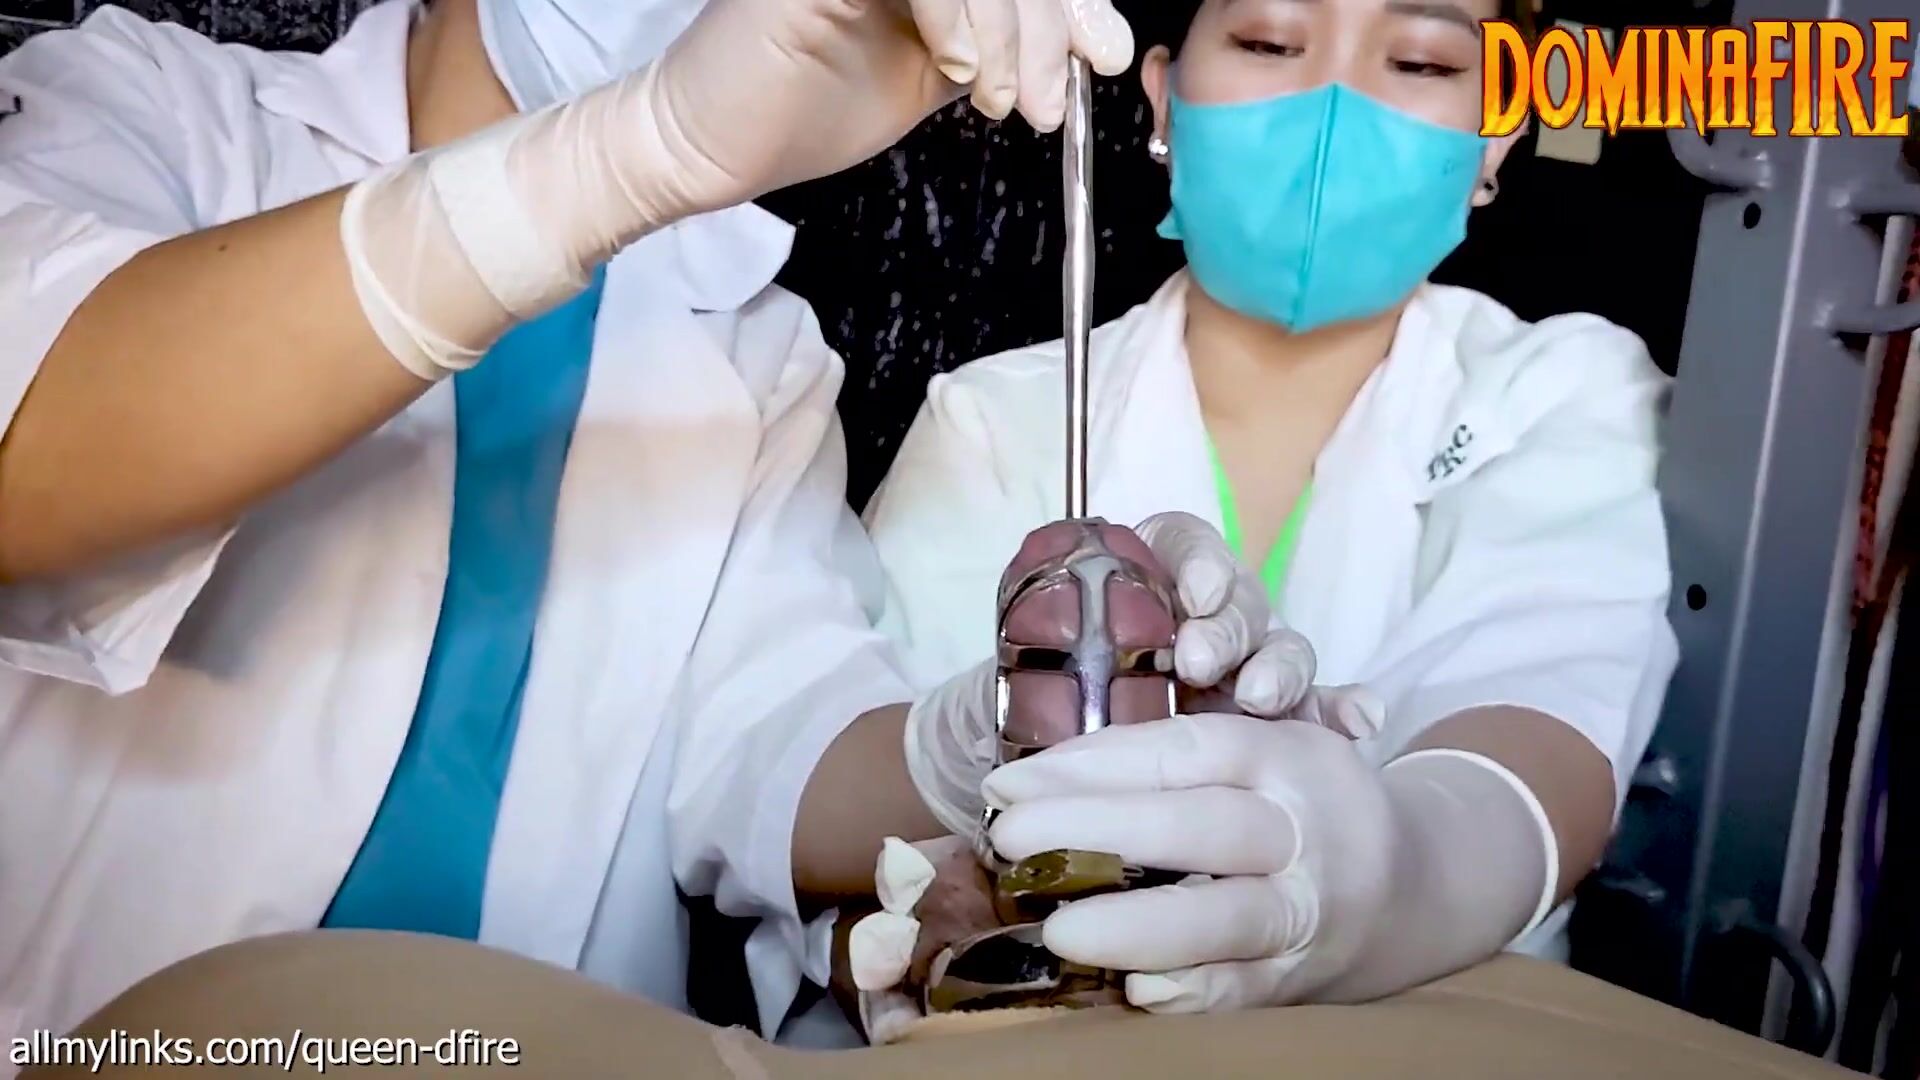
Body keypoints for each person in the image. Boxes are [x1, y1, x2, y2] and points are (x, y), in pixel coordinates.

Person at [0, 0, 1322, 1041]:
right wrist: (635, 152)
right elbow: (40, 455)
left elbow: (770, 749)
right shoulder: (150, 109)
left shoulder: (756, 347)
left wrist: (990, 735)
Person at [855, 0, 1680, 1025]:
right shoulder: (993, 420)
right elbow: (861, 800)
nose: (1334, 103)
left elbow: (1546, 710)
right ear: (1162, 100)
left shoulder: (1566, 391)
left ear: (1497, 138)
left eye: (1422, 62)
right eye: (1269, 42)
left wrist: (1402, 868)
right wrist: (919, 901)